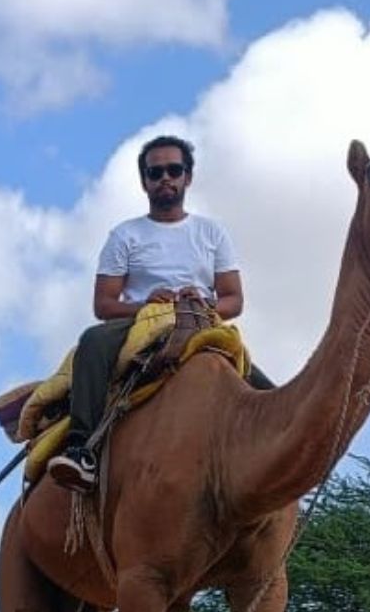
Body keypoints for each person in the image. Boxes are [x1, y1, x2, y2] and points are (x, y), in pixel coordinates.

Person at [47, 134, 246, 492]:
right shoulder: (125, 235)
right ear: (145, 182)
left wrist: (204, 303)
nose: (165, 178)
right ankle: (81, 450)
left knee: (262, 389)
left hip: (200, 320)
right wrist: (147, 304)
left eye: (174, 170)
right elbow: (104, 305)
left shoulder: (212, 232)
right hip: (141, 322)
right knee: (93, 341)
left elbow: (234, 299)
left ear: (188, 177)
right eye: (156, 173)